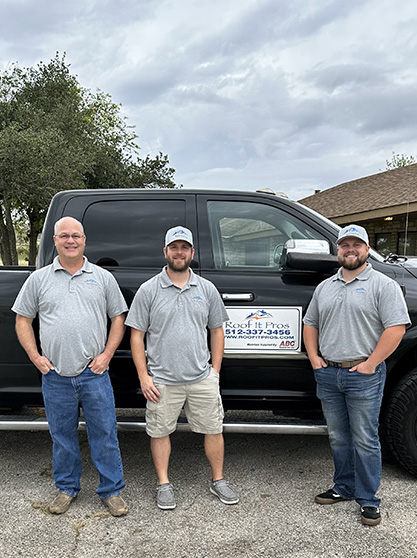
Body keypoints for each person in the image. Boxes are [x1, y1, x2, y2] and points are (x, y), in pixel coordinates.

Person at [12, 217, 128, 517]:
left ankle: (111, 491)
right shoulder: (39, 279)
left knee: (104, 433)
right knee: (62, 437)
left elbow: (119, 318)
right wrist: (36, 357)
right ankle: (66, 489)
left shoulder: (102, 278)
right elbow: (23, 320)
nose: (70, 240)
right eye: (64, 236)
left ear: (84, 240)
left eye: (76, 235)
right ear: (55, 241)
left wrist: (106, 355)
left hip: (95, 374)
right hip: (55, 376)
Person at [303, 224, 410, 526]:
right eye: (344, 245)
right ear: (338, 250)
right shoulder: (325, 287)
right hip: (329, 373)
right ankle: (343, 487)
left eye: (356, 245)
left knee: (364, 438)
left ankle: (368, 499)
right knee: (338, 437)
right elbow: (310, 324)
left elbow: (396, 328)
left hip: (364, 373)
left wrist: (370, 363)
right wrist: (314, 358)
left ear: (366, 249)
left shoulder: (382, 285)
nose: (350, 250)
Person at [126, 226, 239, 510]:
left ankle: (218, 480)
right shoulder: (149, 290)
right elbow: (136, 335)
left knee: (213, 429)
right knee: (159, 432)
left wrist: (215, 371)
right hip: (162, 380)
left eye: (184, 247)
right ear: (165, 252)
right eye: (174, 247)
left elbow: (217, 331)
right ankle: (163, 483)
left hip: (202, 378)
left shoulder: (206, 289)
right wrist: (144, 376)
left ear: (192, 252)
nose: (179, 252)